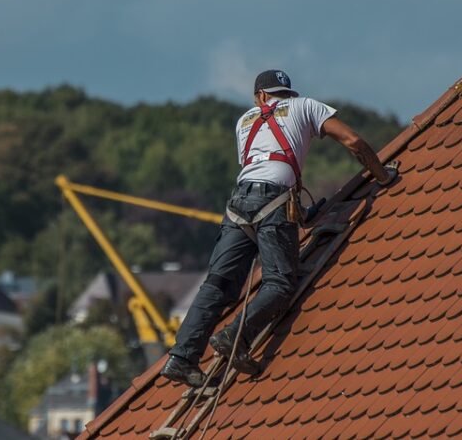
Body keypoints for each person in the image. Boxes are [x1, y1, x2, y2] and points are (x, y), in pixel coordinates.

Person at [160, 69, 397, 387]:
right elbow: (353, 141)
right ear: (282, 94)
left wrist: (296, 214)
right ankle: (235, 337)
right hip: (274, 200)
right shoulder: (306, 106)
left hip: (238, 204)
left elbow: (260, 166)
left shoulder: (244, 121)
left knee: (217, 285)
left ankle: (181, 358)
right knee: (281, 283)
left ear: (260, 96)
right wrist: (382, 175)